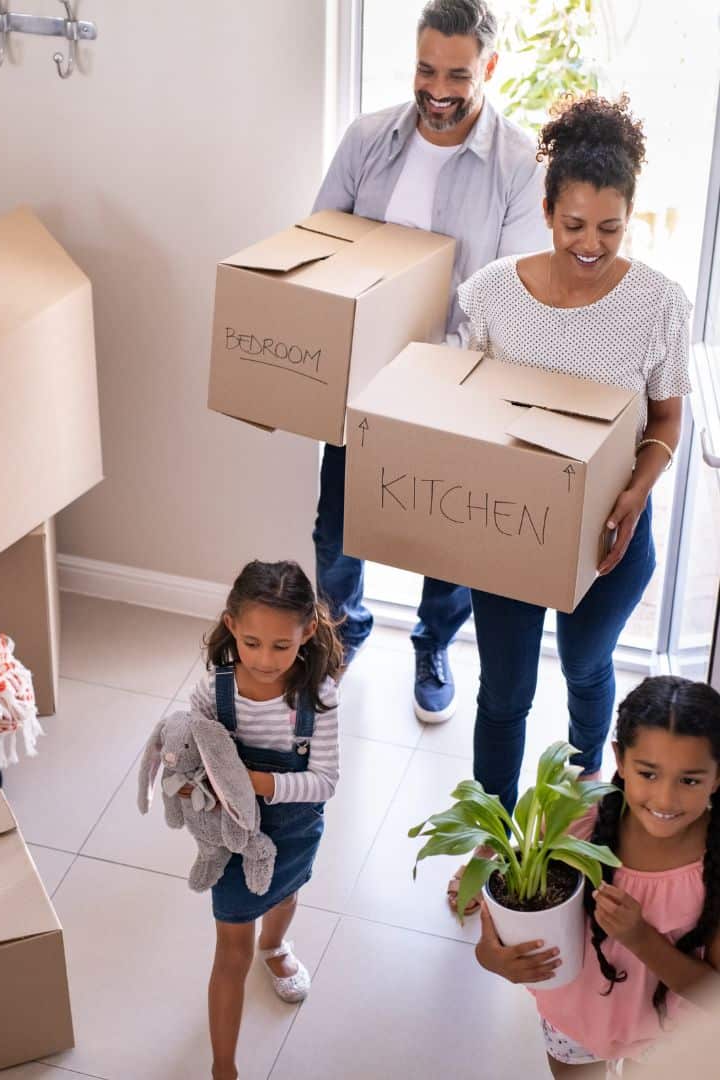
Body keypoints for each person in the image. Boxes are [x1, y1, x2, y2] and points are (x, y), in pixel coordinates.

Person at [449, 93, 692, 914]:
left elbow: (665, 420)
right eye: (574, 225)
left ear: (630, 222)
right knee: (505, 693)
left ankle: (589, 783)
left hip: (614, 536)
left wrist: (633, 493)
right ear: (547, 211)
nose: (590, 245)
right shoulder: (491, 294)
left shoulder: (659, 304)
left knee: (589, 667)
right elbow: (463, 405)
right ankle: (487, 842)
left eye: (610, 230)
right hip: (511, 537)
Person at [312, 0, 549, 723]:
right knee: (337, 525)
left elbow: (507, 296)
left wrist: (432, 369)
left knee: (447, 538)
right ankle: (340, 632)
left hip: (455, 385)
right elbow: (319, 245)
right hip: (360, 378)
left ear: (490, 67)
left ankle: (432, 642)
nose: (437, 89)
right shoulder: (366, 140)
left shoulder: (518, 163)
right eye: (424, 69)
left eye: (456, 73)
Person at [476, 676, 720, 1076]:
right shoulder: (571, 824)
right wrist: (494, 958)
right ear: (620, 760)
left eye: (689, 780)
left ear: (718, 777)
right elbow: (505, 925)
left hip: (671, 1037)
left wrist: (640, 937)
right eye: (648, 774)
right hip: (572, 1021)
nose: (665, 799)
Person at [187, 560, 343, 1080]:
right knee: (230, 951)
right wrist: (192, 783)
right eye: (252, 643)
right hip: (234, 836)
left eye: (282, 645)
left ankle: (275, 945)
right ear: (231, 626)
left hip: (294, 827)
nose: (265, 659)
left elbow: (324, 781)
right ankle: (223, 1068)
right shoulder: (214, 691)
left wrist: (258, 783)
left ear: (308, 632)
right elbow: (192, 754)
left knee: (285, 893)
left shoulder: (317, 698)